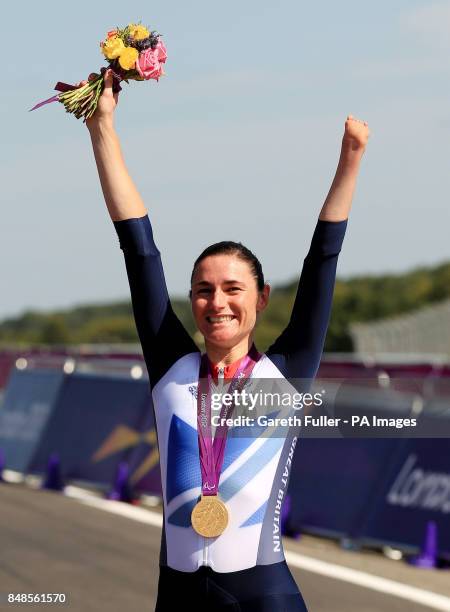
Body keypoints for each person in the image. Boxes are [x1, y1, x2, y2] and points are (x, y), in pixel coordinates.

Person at [82, 69, 369, 611]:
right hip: (179, 597)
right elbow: (138, 251)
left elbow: (322, 262)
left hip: (263, 596)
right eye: (203, 291)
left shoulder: (284, 372)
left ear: (260, 299)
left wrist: (350, 159)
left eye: (233, 289)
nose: (217, 303)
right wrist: (103, 128)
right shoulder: (172, 367)